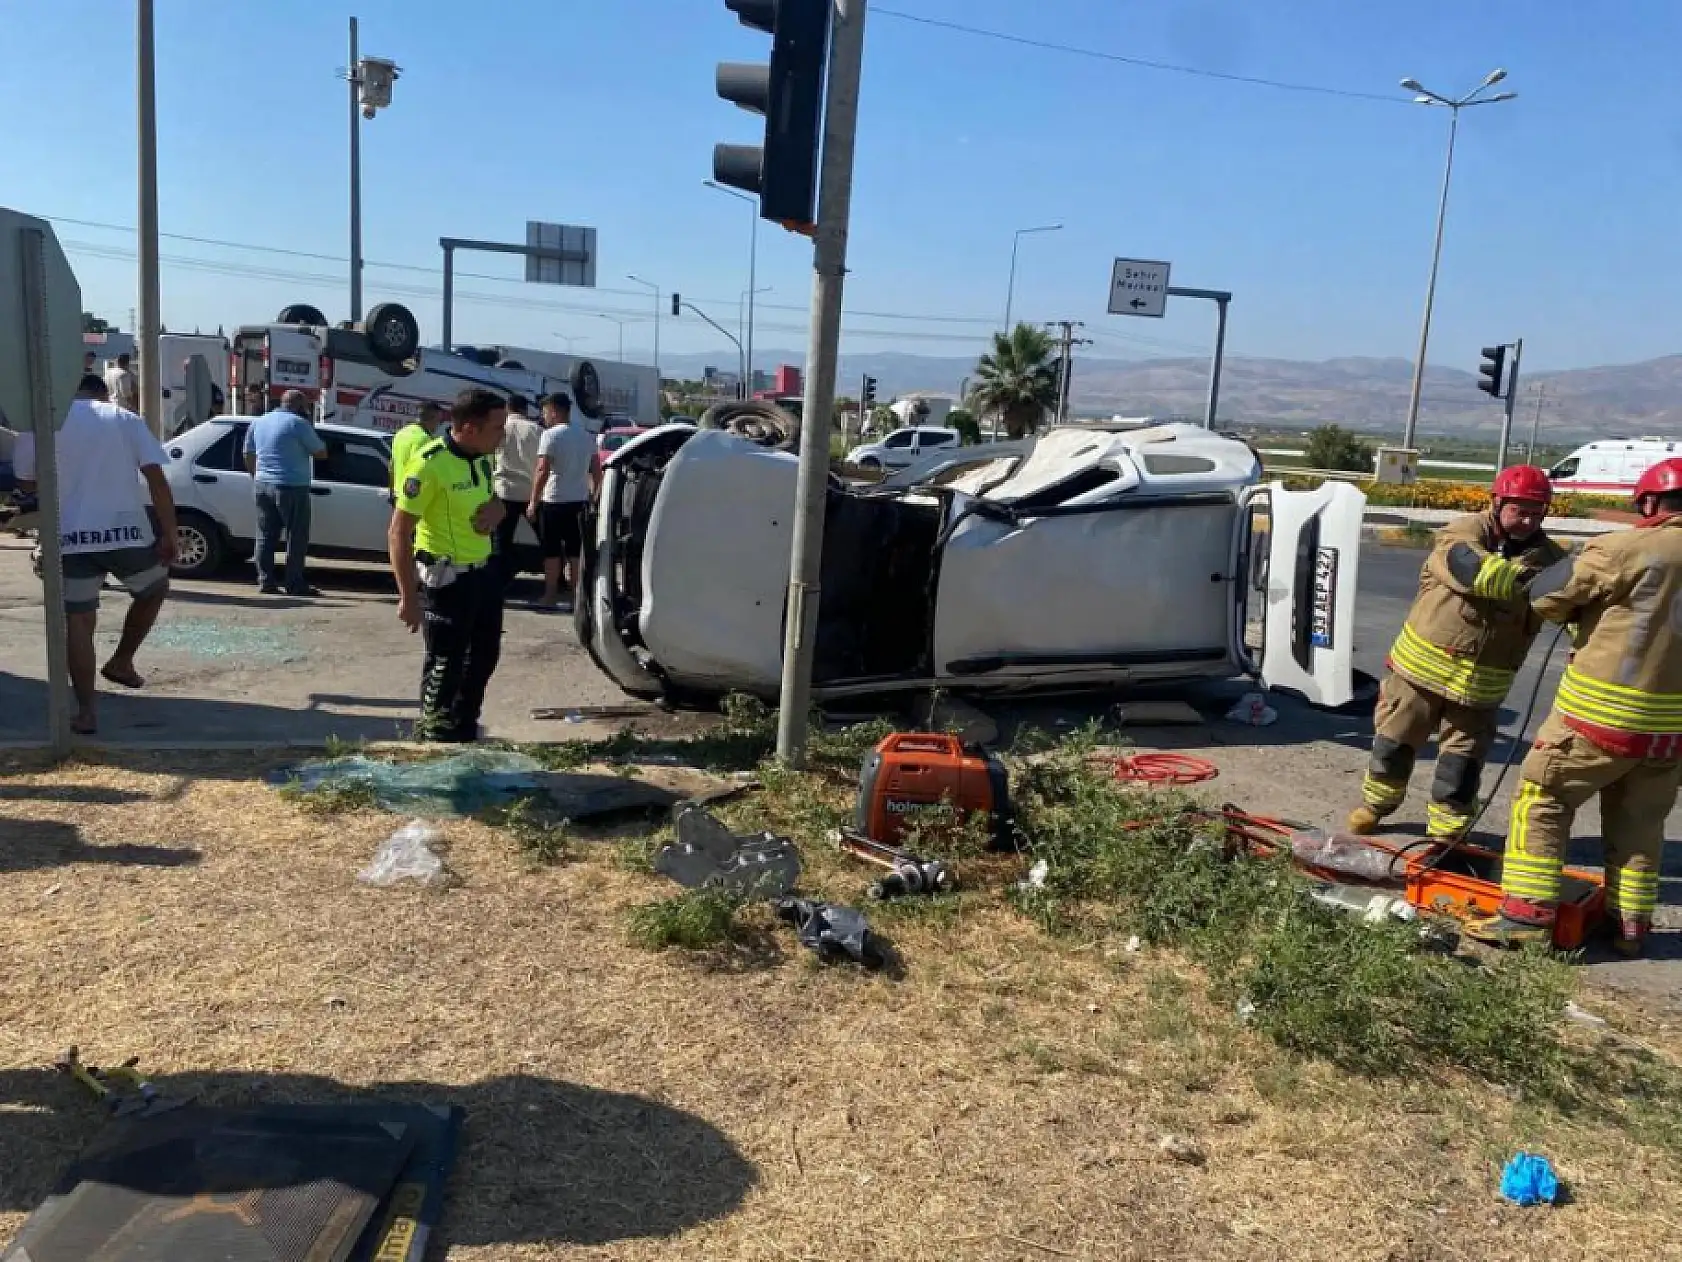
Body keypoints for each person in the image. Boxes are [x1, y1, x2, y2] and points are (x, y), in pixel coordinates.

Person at [1468, 459, 1682, 955]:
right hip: (1669, 732)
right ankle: (1630, 928)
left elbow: (1547, 594)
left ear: (1648, 503)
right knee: (1641, 825)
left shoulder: (1623, 548)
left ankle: (1525, 917)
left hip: (1598, 718)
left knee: (1542, 799)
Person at [1347, 466, 1565, 843]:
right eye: (1519, 510)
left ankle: (1447, 836)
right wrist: (1537, 583)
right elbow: (1474, 571)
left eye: (1536, 512)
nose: (1527, 520)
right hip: (1419, 674)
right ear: (1497, 503)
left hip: (1480, 689)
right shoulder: (1461, 534)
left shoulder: (1552, 560)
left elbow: (1574, 605)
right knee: (1394, 745)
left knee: (1461, 767)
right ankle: (1376, 806)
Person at [13, 375, 177, 735]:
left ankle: (86, 711)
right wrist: (170, 533)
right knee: (153, 589)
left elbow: (25, 481)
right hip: (126, 533)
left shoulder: (43, 421)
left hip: (70, 537)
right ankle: (121, 660)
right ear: (102, 392)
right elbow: (157, 481)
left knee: (79, 622)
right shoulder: (123, 418)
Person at [388, 387, 509, 742]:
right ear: (470, 428)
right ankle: (432, 742)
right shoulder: (429, 464)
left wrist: (498, 510)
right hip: (447, 580)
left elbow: (493, 501)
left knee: (484, 658)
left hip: (484, 574)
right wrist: (408, 597)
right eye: (497, 428)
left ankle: (463, 733)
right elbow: (398, 532)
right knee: (445, 666)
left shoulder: (483, 458)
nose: (502, 436)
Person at [243, 388, 326, 595]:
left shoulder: (259, 422)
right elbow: (321, 453)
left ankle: (265, 581)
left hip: (263, 485)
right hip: (292, 486)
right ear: (300, 406)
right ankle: (294, 583)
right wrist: (310, 427)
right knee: (296, 537)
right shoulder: (298, 424)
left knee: (264, 536)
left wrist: (257, 475)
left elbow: (248, 453)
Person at [528, 391, 598, 611]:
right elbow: (596, 470)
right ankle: (576, 596)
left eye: (546, 411)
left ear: (555, 411)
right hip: (579, 500)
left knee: (551, 551)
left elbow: (542, 470)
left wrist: (533, 501)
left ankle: (550, 594)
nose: (544, 416)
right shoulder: (586, 435)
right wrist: (593, 497)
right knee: (575, 551)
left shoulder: (550, 436)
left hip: (554, 500)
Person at [492, 392, 543, 589]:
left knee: (501, 541)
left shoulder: (500, 429)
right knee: (545, 538)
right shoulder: (536, 430)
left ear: (508, 408)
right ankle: (557, 579)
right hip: (530, 492)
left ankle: (497, 581)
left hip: (504, 490)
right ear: (525, 409)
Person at [389, 402, 445, 500]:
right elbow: (420, 472)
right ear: (431, 418)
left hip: (398, 494)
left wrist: (392, 493)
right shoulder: (424, 439)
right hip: (412, 497)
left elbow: (391, 467)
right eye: (439, 421)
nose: (439, 425)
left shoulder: (401, 433)